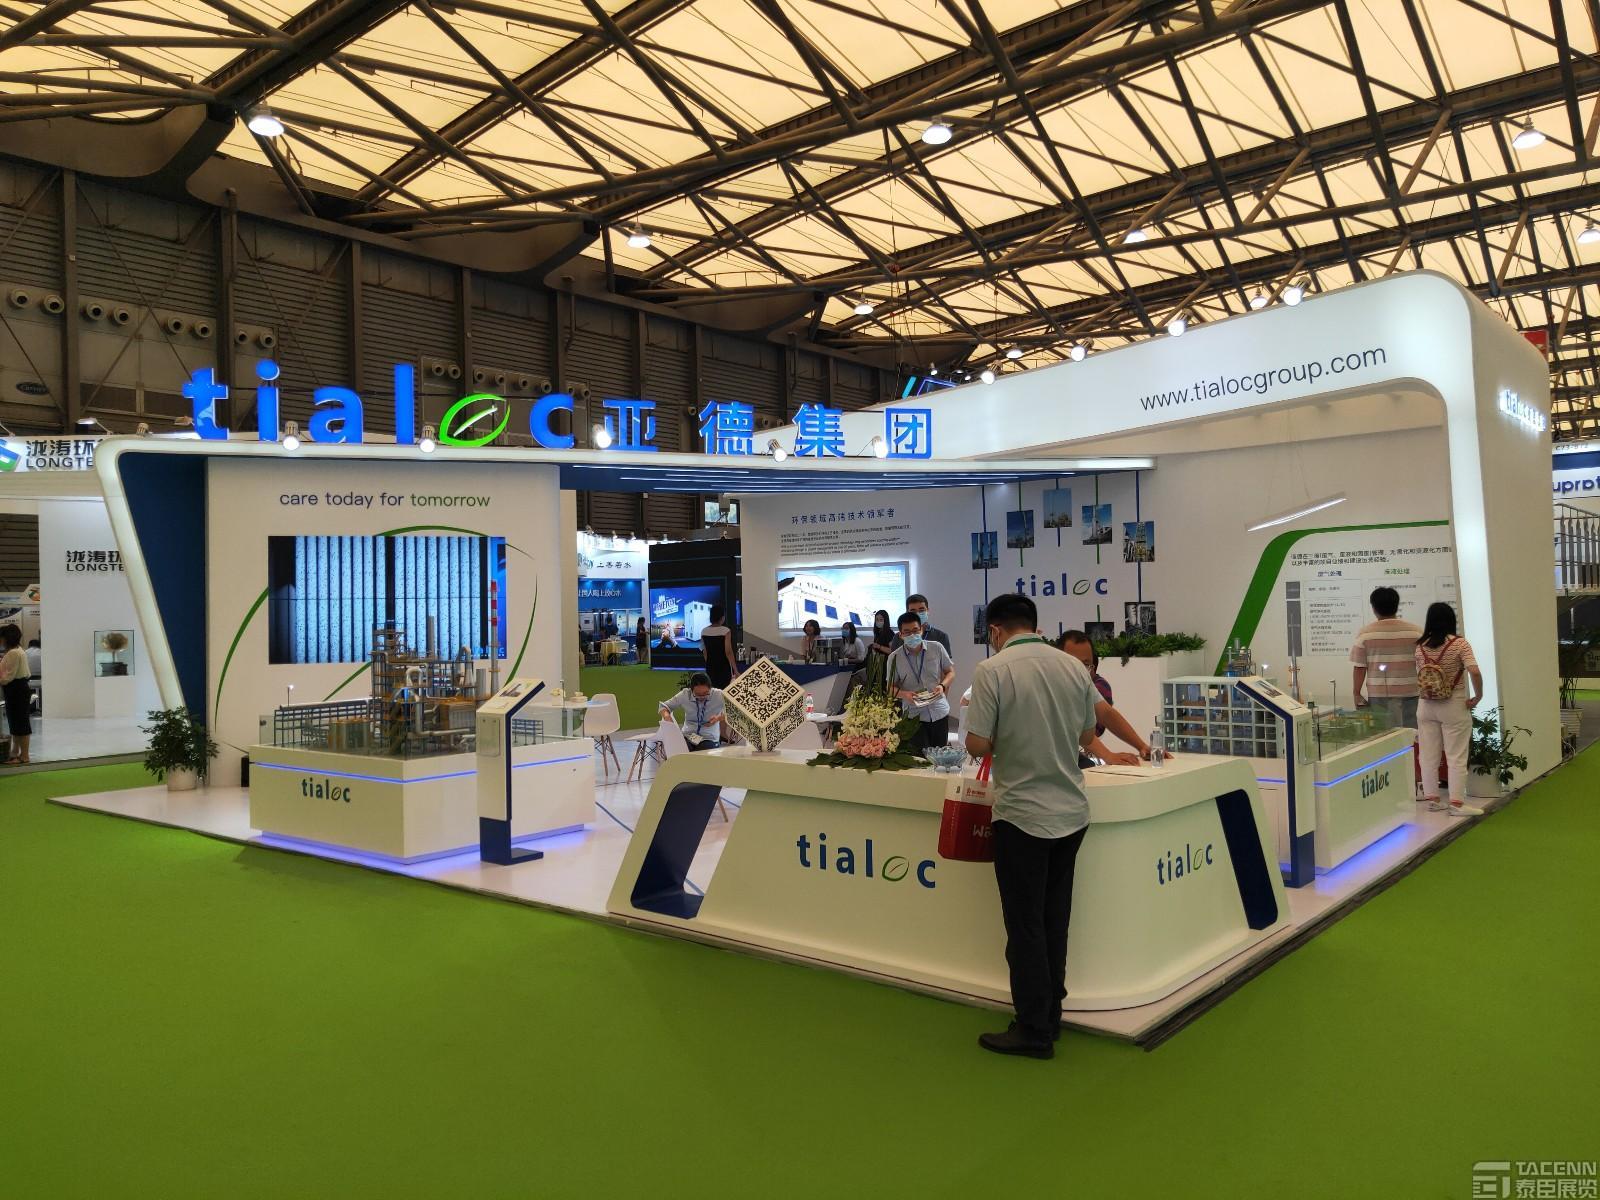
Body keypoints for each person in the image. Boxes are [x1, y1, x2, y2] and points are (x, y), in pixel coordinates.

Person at [965, 594, 1100, 1059]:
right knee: (1054, 920)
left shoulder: (992, 670)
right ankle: (1050, 1016)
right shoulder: (1072, 667)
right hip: (1071, 813)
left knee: (1025, 927)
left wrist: (1010, 734)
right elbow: (1087, 735)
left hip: (1022, 815)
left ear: (996, 630)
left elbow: (976, 744)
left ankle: (1032, 1029)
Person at [1414, 603, 1483, 815]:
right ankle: (1456, 804)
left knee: (1428, 755)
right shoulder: (1459, 644)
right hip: (1453, 704)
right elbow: (1474, 671)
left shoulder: (1420, 646)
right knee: (1456, 755)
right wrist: (1478, 695)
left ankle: (1433, 799)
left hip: (1425, 705)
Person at [1055, 630, 1154, 766]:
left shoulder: (1086, 682)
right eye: (1073, 664)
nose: (1080, 671)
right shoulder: (1051, 685)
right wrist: (1108, 756)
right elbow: (1078, 729)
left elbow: (1106, 713)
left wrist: (1141, 746)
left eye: (1086, 665)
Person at [1351, 587, 1423, 730]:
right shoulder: (1416, 632)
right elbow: (1424, 663)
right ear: (1396, 605)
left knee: (1383, 736)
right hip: (1411, 692)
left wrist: (1356, 693)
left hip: (1379, 695)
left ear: (1374, 608)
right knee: (1412, 734)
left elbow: (1359, 667)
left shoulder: (1365, 634)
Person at [888, 610, 955, 752]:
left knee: (940, 757)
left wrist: (942, 686)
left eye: (915, 630)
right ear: (900, 635)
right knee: (920, 759)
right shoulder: (894, 657)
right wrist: (905, 694)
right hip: (914, 717)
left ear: (921, 630)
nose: (912, 635)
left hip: (939, 711)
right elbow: (890, 688)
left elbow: (950, 672)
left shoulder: (936, 648)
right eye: (907, 632)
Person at [659, 672, 728, 751]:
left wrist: (719, 718)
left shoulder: (719, 694)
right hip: (688, 735)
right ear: (691, 690)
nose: (702, 697)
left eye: (706, 693)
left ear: (710, 688)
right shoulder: (685, 694)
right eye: (697, 694)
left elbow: (735, 711)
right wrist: (667, 718)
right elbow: (663, 706)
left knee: (702, 754)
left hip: (709, 737)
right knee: (679, 751)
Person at [0, 623, 32, 765]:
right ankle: (15, 754)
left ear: (7, 638)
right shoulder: (18, 650)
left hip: (16, 689)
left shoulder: (13, 653)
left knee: (20, 723)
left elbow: (8, 676)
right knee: (17, 723)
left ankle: (24, 756)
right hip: (19, 689)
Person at [700, 605, 737, 688]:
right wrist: (735, 670)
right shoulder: (726, 631)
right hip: (724, 667)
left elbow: (704, 651)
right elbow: (728, 652)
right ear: (722, 617)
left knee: (713, 690)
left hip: (710, 667)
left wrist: (708, 664)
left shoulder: (703, 631)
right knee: (725, 690)